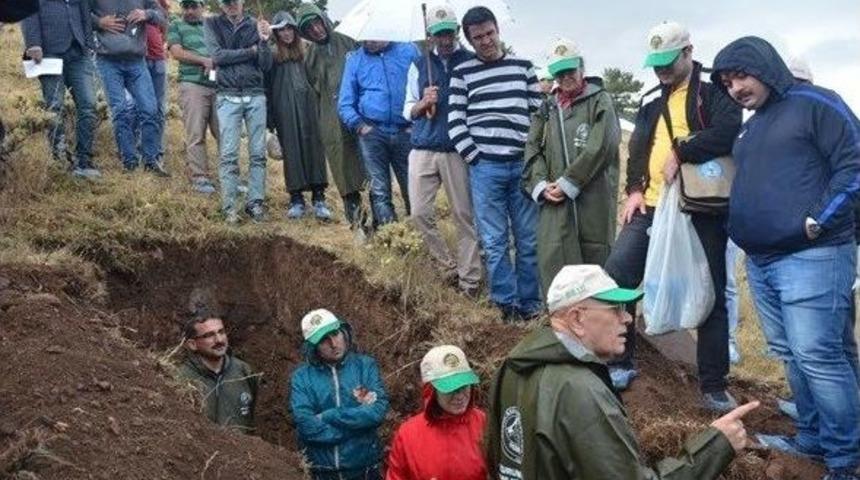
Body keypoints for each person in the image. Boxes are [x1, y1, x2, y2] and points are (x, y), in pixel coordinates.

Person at [713, 36, 860, 480]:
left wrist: (816, 220)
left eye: (741, 75)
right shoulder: (752, 124)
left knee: (818, 355)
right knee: (794, 356)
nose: (735, 88)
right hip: (762, 260)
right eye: (727, 82)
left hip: (813, 254)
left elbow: (853, 164)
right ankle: (813, 439)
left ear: (765, 66)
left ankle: (846, 459)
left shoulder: (816, 103)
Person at [486, 264, 760, 479]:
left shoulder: (510, 367)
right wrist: (717, 444)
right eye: (615, 308)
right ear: (577, 318)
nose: (627, 318)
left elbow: (494, 458)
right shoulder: (580, 392)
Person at [603, 22, 742, 408]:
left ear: (688, 52)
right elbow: (637, 149)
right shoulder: (651, 102)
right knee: (618, 276)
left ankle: (713, 385)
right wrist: (633, 190)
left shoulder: (714, 93)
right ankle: (620, 361)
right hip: (650, 207)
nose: (661, 69)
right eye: (656, 62)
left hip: (699, 207)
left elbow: (728, 131)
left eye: (668, 60)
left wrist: (681, 151)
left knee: (711, 292)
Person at [448, 6, 542, 321]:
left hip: (522, 165)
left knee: (528, 238)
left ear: (497, 29)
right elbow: (456, 123)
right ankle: (506, 303)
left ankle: (530, 304)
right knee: (494, 241)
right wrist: (475, 157)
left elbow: (538, 115)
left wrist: (534, 156)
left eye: (489, 33)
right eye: (478, 38)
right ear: (469, 40)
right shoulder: (462, 73)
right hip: (485, 168)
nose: (486, 41)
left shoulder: (524, 67)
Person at [523, 38, 621, 295]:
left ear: (581, 67)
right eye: (559, 72)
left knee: (596, 261)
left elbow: (602, 146)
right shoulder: (547, 107)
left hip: (593, 197)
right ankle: (564, 327)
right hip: (555, 199)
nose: (565, 76)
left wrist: (570, 182)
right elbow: (532, 148)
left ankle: (599, 326)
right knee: (556, 259)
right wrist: (542, 185)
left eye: (570, 69)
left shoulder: (600, 101)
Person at [402, 4, 480, 295]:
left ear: (457, 32)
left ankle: (470, 279)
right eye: (439, 35)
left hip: (457, 150)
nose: (445, 40)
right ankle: (447, 267)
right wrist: (423, 104)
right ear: (431, 35)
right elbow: (406, 109)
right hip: (422, 147)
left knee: (463, 215)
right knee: (420, 213)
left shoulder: (470, 62)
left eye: (449, 33)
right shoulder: (419, 64)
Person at [290, 309, 389, 480]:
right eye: (323, 340)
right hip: (321, 474)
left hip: (365, 472)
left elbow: (377, 411)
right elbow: (306, 426)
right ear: (313, 347)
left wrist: (331, 415)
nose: (334, 344)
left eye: (335, 334)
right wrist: (357, 430)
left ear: (343, 332)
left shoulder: (365, 366)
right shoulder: (301, 377)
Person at [296, 4, 366, 228]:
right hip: (331, 119)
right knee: (344, 171)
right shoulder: (310, 57)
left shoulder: (348, 40)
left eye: (317, 23)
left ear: (323, 19)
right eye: (309, 28)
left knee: (370, 167)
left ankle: (382, 222)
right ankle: (357, 225)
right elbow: (313, 89)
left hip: (361, 112)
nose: (316, 30)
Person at [203, 0, 272, 223]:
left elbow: (265, 63)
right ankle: (229, 206)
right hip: (227, 95)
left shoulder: (256, 24)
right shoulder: (212, 23)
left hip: (255, 94)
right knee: (229, 154)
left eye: (234, 1)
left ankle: (255, 203)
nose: (231, 5)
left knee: (258, 154)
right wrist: (249, 51)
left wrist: (263, 43)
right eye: (226, 2)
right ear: (221, 5)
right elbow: (217, 57)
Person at [339, 39, 418, 228]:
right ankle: (388, 236)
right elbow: (345, 102)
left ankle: (418, 234)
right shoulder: (355, 60)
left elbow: (422, 88)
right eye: (365, 38)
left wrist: (417, 122)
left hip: (405, 130)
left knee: (413, 187)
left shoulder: (409, 51)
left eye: (374, 36)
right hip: (372, 133)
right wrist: (359, 125)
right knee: (379, 189)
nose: (369, 41)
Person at [90, 0, 169, 176]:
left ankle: (151, 161)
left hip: (137, 60)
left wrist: (146, 14)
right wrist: (99, 23)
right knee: (120, 110)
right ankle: (130, 162)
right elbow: (80, 15)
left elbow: (162, 16)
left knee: (150, 109)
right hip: (107, 59)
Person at [21, 0, 99, 178]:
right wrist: (33, 42)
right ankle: (60, 159)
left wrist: (88, 43)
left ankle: (84, 160)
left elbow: (84, 12)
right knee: (55, 106)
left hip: (78, 51)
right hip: (48, 53)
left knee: (89, 104)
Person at [385, 345, 486, 480]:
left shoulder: (485, 425)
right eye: (451, 388)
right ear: (430, 391)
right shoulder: (408, 435)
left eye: (464, 385)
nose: (460, 395)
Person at [266, 11, 331, 221]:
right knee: (292, 151)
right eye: (281, 30)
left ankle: (319, 197)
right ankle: (296, 198)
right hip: (283, 108)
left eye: (289, 28)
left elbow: (320, 79)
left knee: (315, 149)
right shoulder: (272, 55)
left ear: (295, 29)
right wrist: (269, 117)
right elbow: (265, 84)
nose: (286, 34)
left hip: (310, 107)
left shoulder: (308, 49)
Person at [167, 0, 219, 194]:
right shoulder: (176, 25)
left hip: (218, 85)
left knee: (224, 132)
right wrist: (203, 60)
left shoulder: (212, 25)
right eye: (185, 7)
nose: (189, 11)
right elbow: (176, 52)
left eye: (193, 7)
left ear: (202, 7)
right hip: (192, 84)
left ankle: (229, 175)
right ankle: (200, 177)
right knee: (196, 131)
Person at [176, 312, 258, 433]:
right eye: (209, 335)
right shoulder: (182, 378)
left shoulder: (243, 371)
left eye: (221, 332)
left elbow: (252, 414)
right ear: (192, 344)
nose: (219, 340)